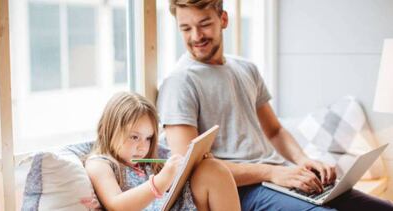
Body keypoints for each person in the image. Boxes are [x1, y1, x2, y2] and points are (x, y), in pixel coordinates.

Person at [157, 0, 393, 210]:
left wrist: (302, 161)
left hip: (278, 178)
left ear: (223, 19)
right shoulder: (180, 82)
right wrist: (273, 172)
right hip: (239, 189)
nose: (196, 36)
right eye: (185, 28)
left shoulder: (246, 68)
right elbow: (188, 168)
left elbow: (275, 131)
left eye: (204, 24)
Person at [85, 92, 240, 211]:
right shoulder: (100, 164)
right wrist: (161, 181)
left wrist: (192, 164)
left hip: (176, 205)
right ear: (110, 130)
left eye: (148, 138)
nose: (142, 146)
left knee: (212, 169)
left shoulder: (150, 157)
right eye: (134, 137)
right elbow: (117, 205)